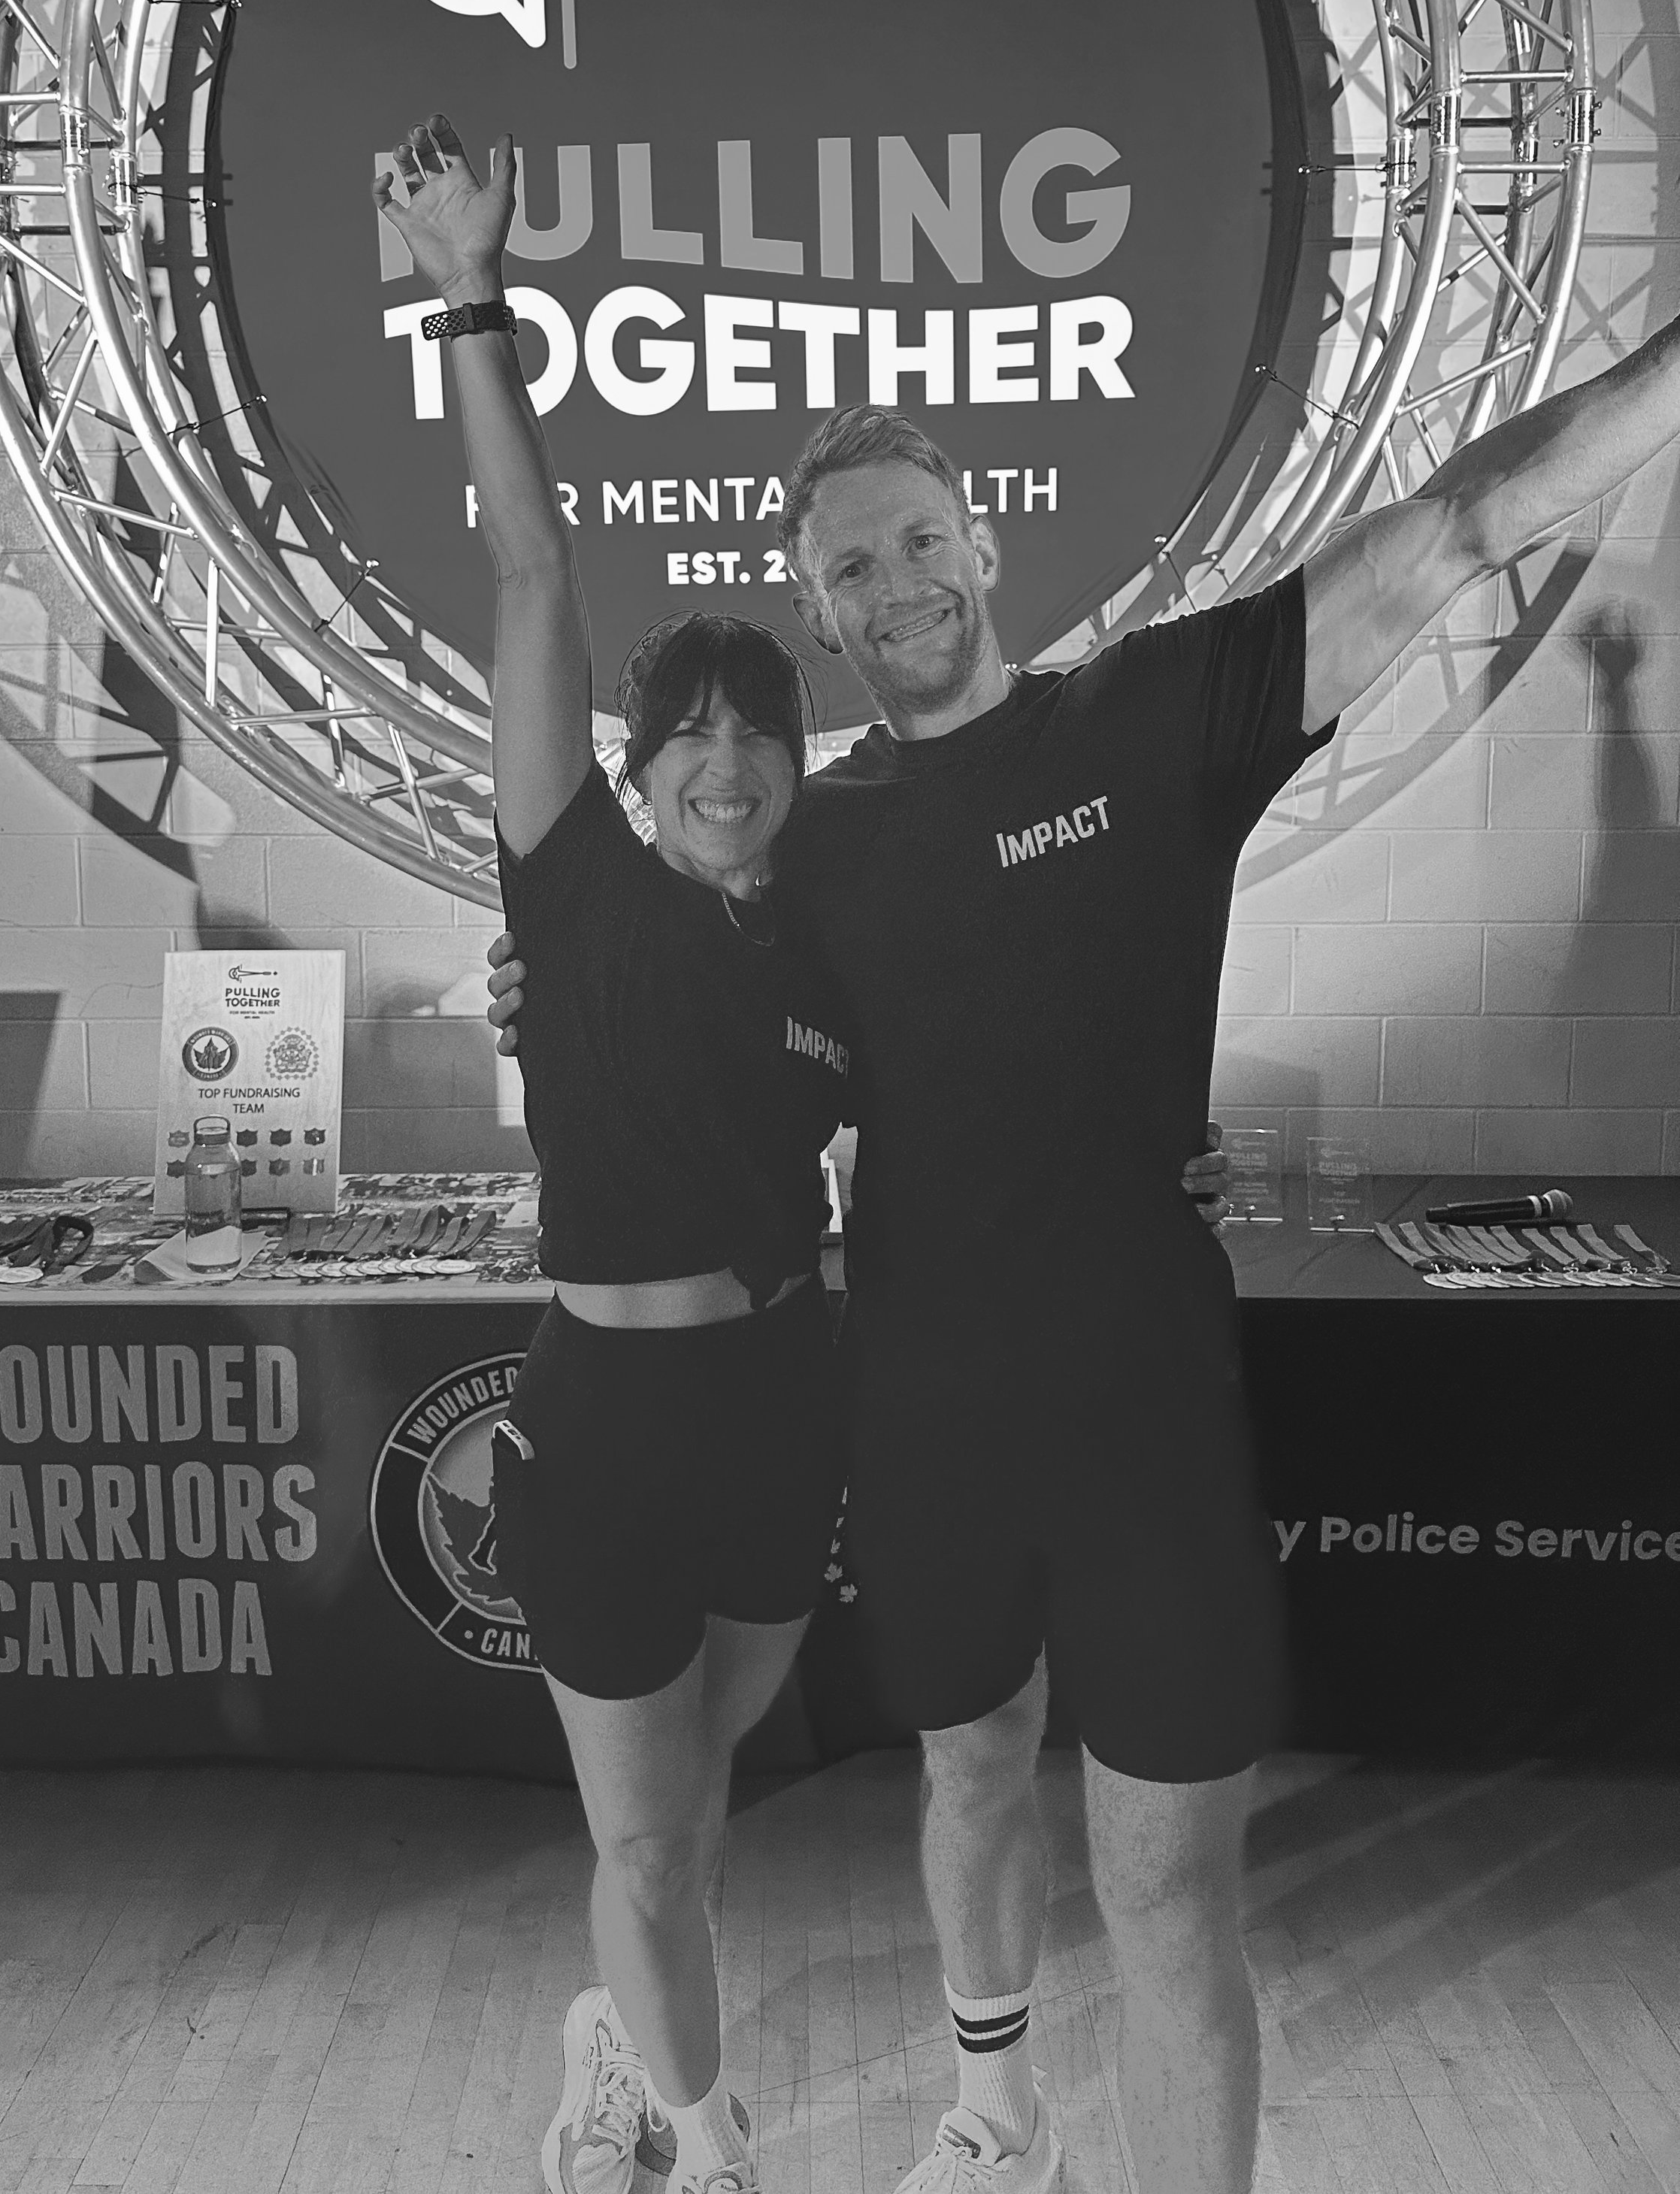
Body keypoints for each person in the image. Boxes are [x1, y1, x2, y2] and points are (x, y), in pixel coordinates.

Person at [492, 317, 1680, 2194]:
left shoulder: (1155, 715)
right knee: (967, 1773)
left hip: (1143, 1403)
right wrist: (533, 988)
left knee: (1164, 1882)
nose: (892, 587)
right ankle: (996, 2119)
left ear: (981, 545)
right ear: (821, 615)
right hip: (922, 1403)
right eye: (847, 570)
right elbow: (635, 953)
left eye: (913, 541)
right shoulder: (810, 845)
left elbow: (1456, 522)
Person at [376, 114, 854, 2194]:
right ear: (642, 774)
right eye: (694, 740)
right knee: (650, 1836)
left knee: (695, 1797)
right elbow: (525, 559)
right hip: (605, 1408)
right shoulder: (568, 883)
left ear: (790, 768)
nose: (729, 764)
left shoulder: (847, 943)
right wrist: (471, 286)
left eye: (761, 735)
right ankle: (700, 2131)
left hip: (784, 1400)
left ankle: (612, 2024)